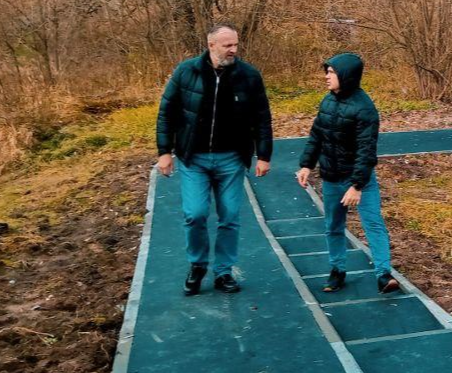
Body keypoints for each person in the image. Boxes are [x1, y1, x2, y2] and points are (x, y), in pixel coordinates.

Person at [156, 23, 273, 296]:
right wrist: (164, 152)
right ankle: (198, 265)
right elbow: (166, 113)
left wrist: (264, 155)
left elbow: (262, 118)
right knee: (195, 214)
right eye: (227, 45)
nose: (234, 50)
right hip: (193, 159)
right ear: (211, 46)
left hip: (230, 159)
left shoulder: (249, 76)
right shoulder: (187, 72)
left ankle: (223, 272)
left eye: (235, 44)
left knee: (230, 216)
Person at [295, 53, 400, 294]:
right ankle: (337, 271)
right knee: (333, 225)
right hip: (331, 177)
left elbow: (367, 151)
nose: (326, 77)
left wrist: (356, 186)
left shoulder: (365, 109)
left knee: (373, 224)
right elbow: (316, 135)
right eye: (327, 72)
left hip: (360, 180)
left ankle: (384, 275)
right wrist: (306, 165)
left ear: (346, 76)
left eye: (331, 73)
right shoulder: (327, 101)